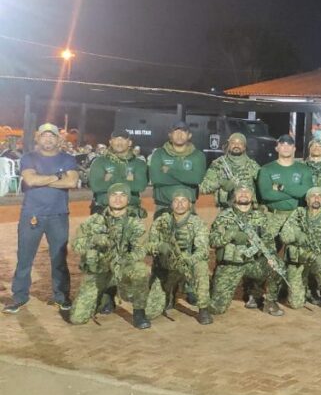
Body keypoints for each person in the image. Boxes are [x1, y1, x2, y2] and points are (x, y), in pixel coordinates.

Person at [4, 123, 78, 314]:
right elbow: (30, 180)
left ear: (58, 139)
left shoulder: (68, 158)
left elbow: (71, 181)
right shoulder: (29, 157)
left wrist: (43, 179)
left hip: (58, 215)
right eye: (44, 136)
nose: (48, 139)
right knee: (25, 258)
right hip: (32, 215)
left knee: (59, 258)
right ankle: (19, 297)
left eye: (52, 136)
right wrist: (57, 176)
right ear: (37, 138)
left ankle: (61, 297)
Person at [68, 183, 151, 329]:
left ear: (128, 200)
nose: (118, 199)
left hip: (122, 267)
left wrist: (124, 260)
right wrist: (94, 240)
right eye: (114, 195)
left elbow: (140, 250)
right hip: (98, 270)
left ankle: (139, 312)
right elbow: (76, 244)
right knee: (77, 318)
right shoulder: (94, 220)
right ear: (108, 198)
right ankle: (105, 294)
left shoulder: (135, 223)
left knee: (140, 270)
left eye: (122, 196)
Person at [209, 185, 285, 316]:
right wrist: (231, 235)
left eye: (247, 193)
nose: (243, 194)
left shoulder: (260, 217)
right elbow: (213, 241)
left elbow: (268, 240)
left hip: (252, 263)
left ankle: (267, 300)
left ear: (252, 197)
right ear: (234, 197)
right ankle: (214, 286)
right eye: (240, 192)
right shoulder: (224, 216)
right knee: (217, 309)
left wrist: (271, 256)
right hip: (230, 265)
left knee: (277, 265)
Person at [144, 188, 212, 325]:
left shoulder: (197, 223)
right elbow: (147, 247)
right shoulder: (161, 221)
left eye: (184, 201)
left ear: (190, 204)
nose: (180, 204)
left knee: (202, 266)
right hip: (166, 267)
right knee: (151, 312)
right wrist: (159, 247)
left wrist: (188, 260)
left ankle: (203, 308)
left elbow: (203, 250)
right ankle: (169, 293)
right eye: (176, 201)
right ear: (171, 204)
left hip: (188, 265)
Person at [279, 187, 321, 316]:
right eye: (313, 196)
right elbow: (284, 235)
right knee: (296, 304)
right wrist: (297, 236)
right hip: (298, 259)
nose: (316, 198)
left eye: (320, 196)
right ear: (307, 200)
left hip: (317, 258)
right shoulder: (298, 213)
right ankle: (307, 290)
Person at [257, 135, 313, 236]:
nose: (286, 148)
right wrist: (296, 192)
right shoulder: (266, 169)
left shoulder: (304, 169)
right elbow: (266, 194)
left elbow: (306, 192)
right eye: (282, 145)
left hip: (297, 217)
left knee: (295, 249)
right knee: (268, 249)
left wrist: (281, 188)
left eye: (289, 145)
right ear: (276, 148)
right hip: (273, 217)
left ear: (294, 148)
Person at [148, 121, 207, 218]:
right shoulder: (159, 153)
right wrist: (186, 177)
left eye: (183, 132)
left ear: (189, 135)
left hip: (187, 207)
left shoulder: (198, 155)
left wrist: (170, 171)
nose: (179, 135)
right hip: (163, 206)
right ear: (170, 135)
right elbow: (156, 178)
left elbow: (196, 179)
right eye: (176, 132)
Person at [88, 129, 148, 217]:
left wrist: (110, 179)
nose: (119, 142)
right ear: (110, 142)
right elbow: (96, 186)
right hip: (103, 210)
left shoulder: (139, 163)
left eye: (123, 139)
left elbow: (140, 186)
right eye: (116, 139)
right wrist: (127, 181)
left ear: (130, 142)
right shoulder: (99, 162)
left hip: (131, 211)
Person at [199, 132, 260, 210]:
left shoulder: (252, 166)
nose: (236, 146)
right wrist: (220, 183)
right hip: (224, 210)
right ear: (228, 145)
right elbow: (203, 189)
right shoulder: (218, 164)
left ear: (244, 147)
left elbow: (263, 187)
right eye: (233, 143)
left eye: (240, 143)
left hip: (247, 209)